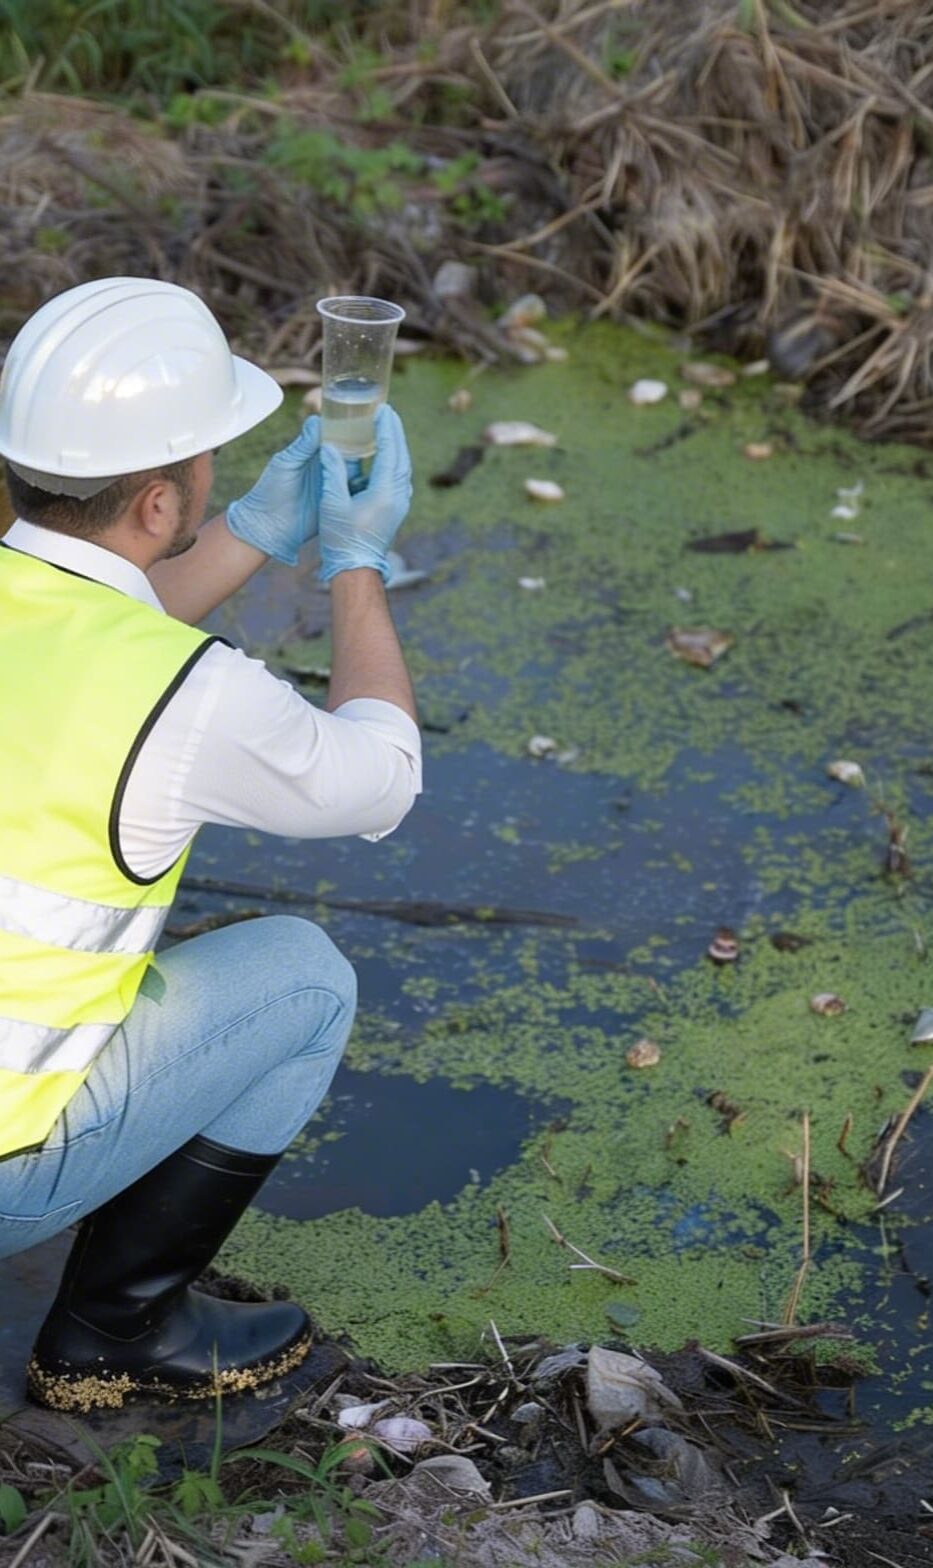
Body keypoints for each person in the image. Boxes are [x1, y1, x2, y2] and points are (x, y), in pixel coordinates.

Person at [0, 277, 420, 1413]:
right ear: (153, 502)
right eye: (207, 467)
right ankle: (111, 1330)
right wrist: (354, 561)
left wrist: (245, 531)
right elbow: (379, 778)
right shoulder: (187, 694)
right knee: (303, 978)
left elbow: (94, 635)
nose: (214, 478)